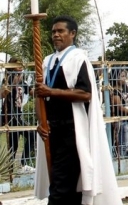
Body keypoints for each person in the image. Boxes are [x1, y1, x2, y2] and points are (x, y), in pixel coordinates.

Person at [34, 16, 121, 205]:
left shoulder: (78, 59)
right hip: (52, 130)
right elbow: (38, 96)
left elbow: (85, 94)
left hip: (72, 131)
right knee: (63, 184)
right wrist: (41, 122)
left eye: (61, 31)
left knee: (61, 184)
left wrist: (52, 91)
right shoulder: (47, 61)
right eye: (53, 32)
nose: (56, 35)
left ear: (72, 34)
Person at [1, 57, 36, 172]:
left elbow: (31, 92)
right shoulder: (8, 79)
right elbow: (2, 93)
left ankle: (17, 166)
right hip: (10, 115)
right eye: (17, 65)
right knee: (17, 142)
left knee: (21, 140)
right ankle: (17, 167)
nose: (20, 67)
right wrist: (14, 81)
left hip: (18, 114)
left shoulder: (22, 81)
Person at [110, 68, 128, 158]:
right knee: (123, 145)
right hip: (121, 121)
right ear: (116, 77)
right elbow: (119, 107)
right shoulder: (114, 91)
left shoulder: (126, 89)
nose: (124, 78)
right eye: (122, 76)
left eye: (125, 76)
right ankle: (121, 162)